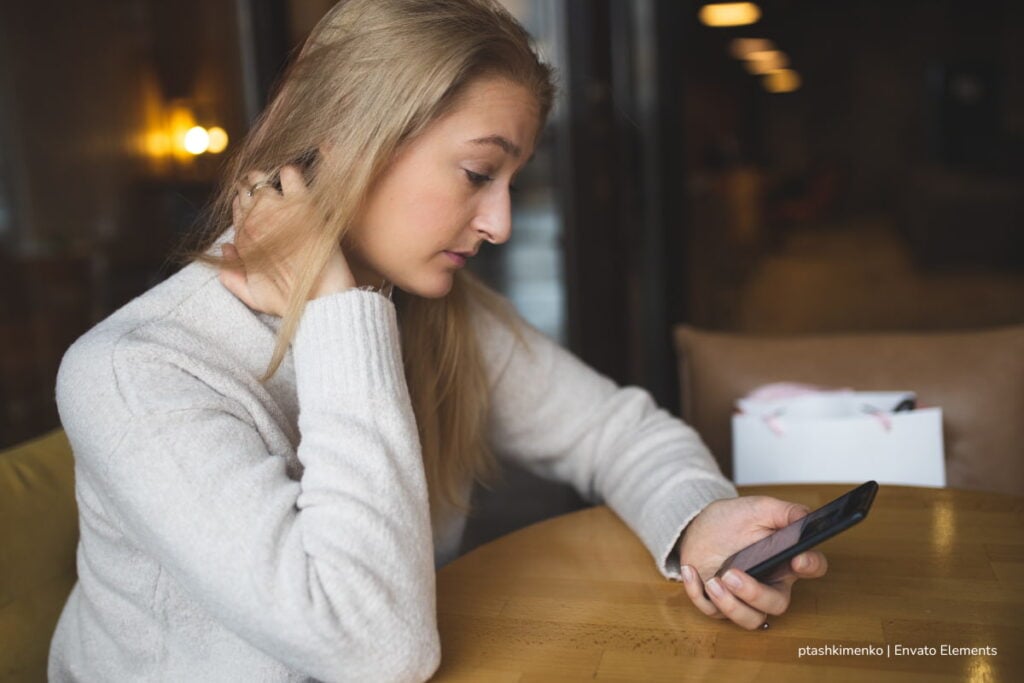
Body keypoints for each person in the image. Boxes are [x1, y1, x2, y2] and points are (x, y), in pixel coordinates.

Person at [49, 0, 826, 680]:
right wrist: (335, 307)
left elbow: (613, 430)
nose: (501, 224)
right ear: (350, 137)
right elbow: (371, 651)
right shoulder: (135, 373)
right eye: (477, 172)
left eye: (511, 181)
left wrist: (696, 518)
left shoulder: (434, 313)